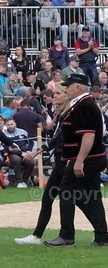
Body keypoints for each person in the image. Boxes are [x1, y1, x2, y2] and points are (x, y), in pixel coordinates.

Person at [44, 73, 108, 247]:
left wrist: (79, 160)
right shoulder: (82, 105)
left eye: (68, 86)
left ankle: (66, 236)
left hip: (87, 159)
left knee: (66, 191)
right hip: (92, 158)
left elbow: (88, 135)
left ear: (77, 87)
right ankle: (102, 237)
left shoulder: (84, 106)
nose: (66, 89)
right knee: (90, 197)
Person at [14, 81, 69, 244]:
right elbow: (54, 136)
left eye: (58, 94)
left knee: (80, 200)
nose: (54, 97)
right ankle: (37, 235)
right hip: (61, 162)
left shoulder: (69, 114)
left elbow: (57, 138)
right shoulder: (60, 113)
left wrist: (37, 151)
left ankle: (98, 233)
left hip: (67, 162)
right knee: (49, 198)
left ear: (67, 95)